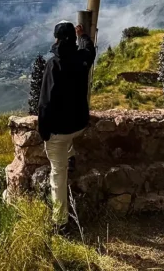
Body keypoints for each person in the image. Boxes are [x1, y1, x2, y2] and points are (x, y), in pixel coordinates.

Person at [36, 20, 96, 228]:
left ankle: (60, 221)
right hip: (79, 124)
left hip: (59, 130)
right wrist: (84, 36)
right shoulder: (82, 59)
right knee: (67, 144)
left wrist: (43, 131)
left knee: (57, 174)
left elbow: (45, 102)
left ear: (57, 39)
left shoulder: (54, 65)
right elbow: (90, 51)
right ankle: (70, 158)